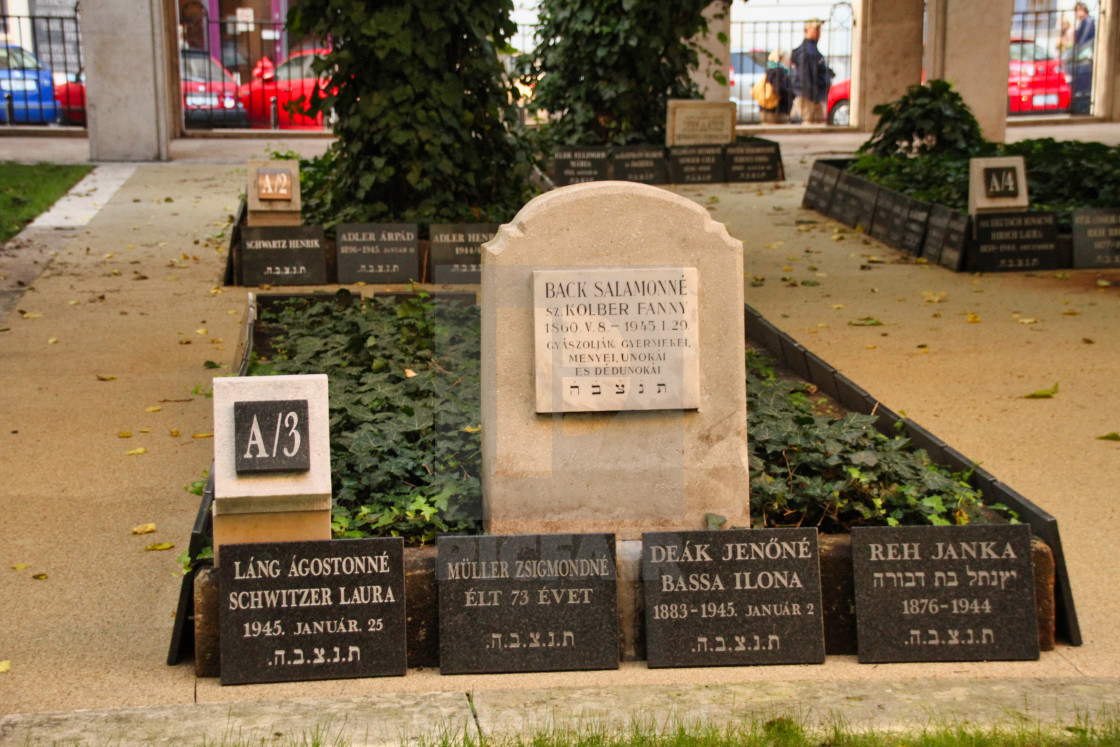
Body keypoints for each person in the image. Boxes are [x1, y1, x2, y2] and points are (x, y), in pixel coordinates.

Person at [790, 19, 834, 125]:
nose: (819, 32)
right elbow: (805, 76)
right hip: (810, 98)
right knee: (812, 127)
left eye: (819, 29)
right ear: (806, 30)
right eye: (816, 29)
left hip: (813, 96)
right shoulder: (807, 51)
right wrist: (815, 97)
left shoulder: (812, 49)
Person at [756, 49, 793, 124]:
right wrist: (792, 93)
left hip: (767, 110)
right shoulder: (778, 71)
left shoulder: (770, 70)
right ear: (781, 58)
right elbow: (779, 88)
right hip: (776, 112)